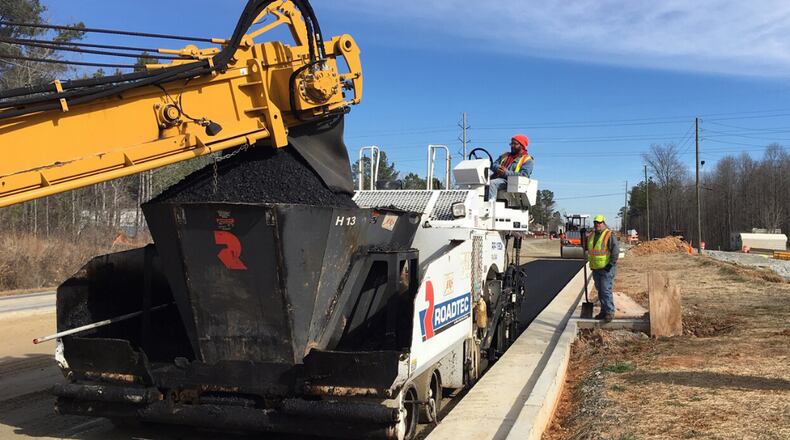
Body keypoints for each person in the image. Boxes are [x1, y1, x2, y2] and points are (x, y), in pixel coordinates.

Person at [587, 214, 619, 322]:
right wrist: (582, 236)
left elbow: (615, 250)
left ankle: (610, 312)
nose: (597, 225)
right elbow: (586, 248)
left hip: (607, 268)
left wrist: (611, 264)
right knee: (600, 291)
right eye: (595, 223)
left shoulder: (609, 235)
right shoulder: (591, 235)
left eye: (599, 223)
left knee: (605, 290)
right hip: (596, 268)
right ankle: (603, 311)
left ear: (603, 223)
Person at [488, 134, 534, 199]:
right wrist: (498, 168)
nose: (512, 146)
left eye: (515, 144)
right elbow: (493, 165)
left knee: (492, 183)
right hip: (497, 177)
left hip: (510, 182)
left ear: (522, 145)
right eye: (511, 143)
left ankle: (490, 206)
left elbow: (524, 175)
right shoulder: (505, 155)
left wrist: (506, 173)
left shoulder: (527, 160)